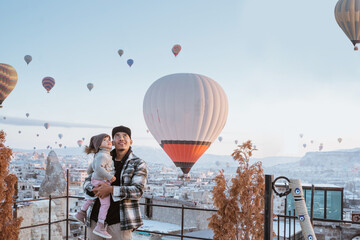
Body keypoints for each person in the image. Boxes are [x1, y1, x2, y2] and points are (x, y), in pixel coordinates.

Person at [82, 125, 148, 240]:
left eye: (125, 136)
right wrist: (95, 190)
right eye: (117, 136)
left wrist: (110, 189)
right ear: (112, 142)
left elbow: (138, 190)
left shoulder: (138, 163)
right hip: (94, 220)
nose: (121, 138)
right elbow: (86, 182)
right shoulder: (101, 157)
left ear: (131, 141)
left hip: (120, 222)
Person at [75, 133, 115, 239]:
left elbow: (90, 170)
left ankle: (81, 213)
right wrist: (109, 176)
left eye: (109, 139)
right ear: (99, 145)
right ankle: (100, 226)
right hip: (102, 181)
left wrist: (94, 177)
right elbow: (98, 168)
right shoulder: (103, 155)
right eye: (105, 140)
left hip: (96, 180)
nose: (108, 141)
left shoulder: (98, 155)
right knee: (105, 204)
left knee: (92, 197)